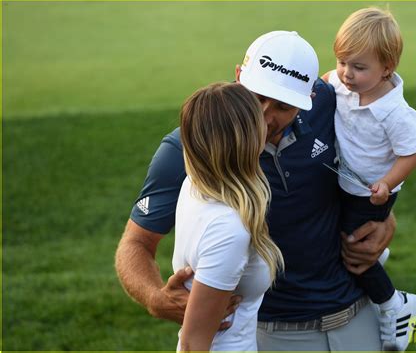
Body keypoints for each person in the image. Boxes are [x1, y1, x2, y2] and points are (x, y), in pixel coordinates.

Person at [115, 30, 396, 351]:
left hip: (357, 317)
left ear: (309, 100)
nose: (264, 117)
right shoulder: (192, 145)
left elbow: (372, 148)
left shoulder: (327, 103)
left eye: (282, 106)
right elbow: (136, 243)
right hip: (268, 333)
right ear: (238, 76)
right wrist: (156, 298)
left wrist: (383, 217)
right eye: (257, 97)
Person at [321, 8, 416, 351]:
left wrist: (386, 183)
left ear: (387, 69)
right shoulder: (341, 83)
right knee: (334, 236)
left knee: (353, 254)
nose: (346, 74)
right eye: (342, 61)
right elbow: (325, 82)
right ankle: (377, 263)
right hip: (344, 183)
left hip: (372, 193)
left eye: (359, 67)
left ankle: (394, 304)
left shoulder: (396, 114)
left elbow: (410, 155)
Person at [173, 82, 284, 351]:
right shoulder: (229, 227)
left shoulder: (195, 184)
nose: (267, 124)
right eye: (258, 119)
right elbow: (192, 344)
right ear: (245, 138)